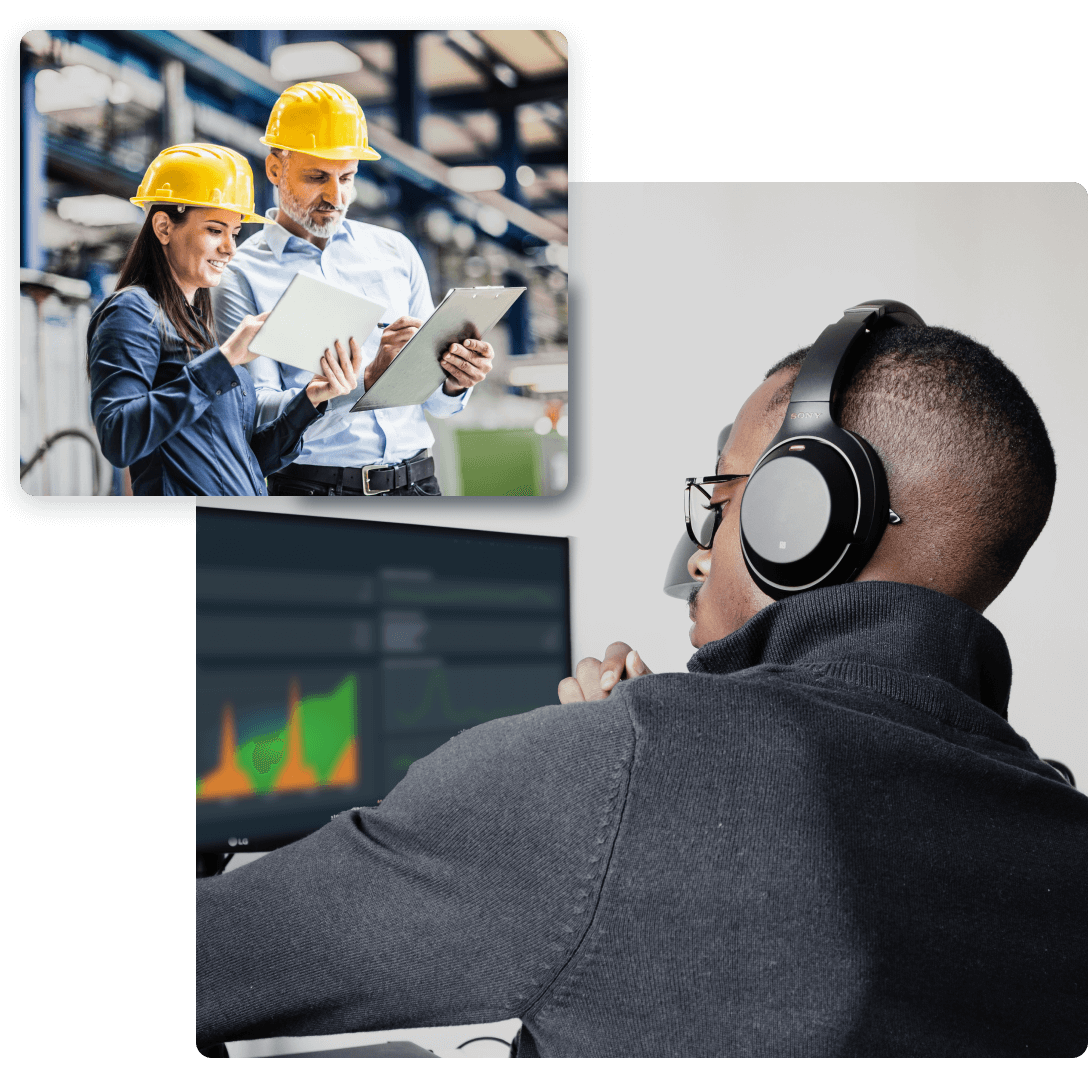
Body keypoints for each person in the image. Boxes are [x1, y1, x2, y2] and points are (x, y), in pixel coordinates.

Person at [196, 321, 1087, 1057]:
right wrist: (663, 776)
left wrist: (611, 777)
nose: (700, 548)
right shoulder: (1059, 823)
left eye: (723, 495)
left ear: (805, 513)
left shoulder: (603, 778)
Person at [211, 82, 495, 497]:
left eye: (347, 177)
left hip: (417, 486)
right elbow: (260, 420)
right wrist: (366, 380)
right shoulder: (240, 274)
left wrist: (455, 377)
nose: (336, 196)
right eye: (316, 177)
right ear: (275, 169)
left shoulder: (395, 252)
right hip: (317, 490)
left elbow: (437, 403)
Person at [89, 144, 362, 496]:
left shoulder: (197, 328)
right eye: (215, 230)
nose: (230, 248)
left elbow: (243, 462)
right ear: (163, 227)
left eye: (234, 233)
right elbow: (119, 438)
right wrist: (226, 359)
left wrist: (310, 401)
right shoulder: (132, 312)